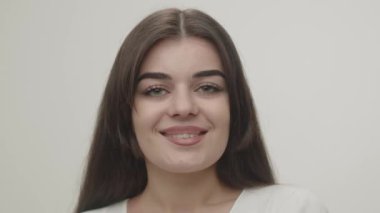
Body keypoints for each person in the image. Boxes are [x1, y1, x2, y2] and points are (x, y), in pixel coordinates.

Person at [75, 8, 327, 213]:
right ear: (124, 112)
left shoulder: (292, 208)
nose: (183, 108)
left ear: (235, 106)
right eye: (155, 90)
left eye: (207, 87)